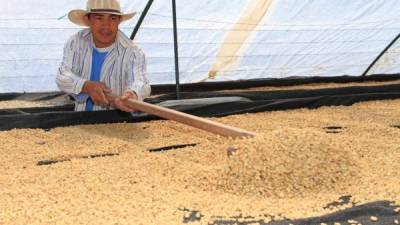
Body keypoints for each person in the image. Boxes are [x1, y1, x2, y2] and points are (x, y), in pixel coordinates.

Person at [56, 0, 151, 112]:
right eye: (99, 18)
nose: (106, 25)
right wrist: (86, 85)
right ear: (88, 20)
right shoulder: (76, 42)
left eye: (112, 18)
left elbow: (141, 82)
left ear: (119, 21)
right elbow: (62, 76)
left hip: (118, 123)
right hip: (80, 120)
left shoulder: (133, 52)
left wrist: (133, 93)